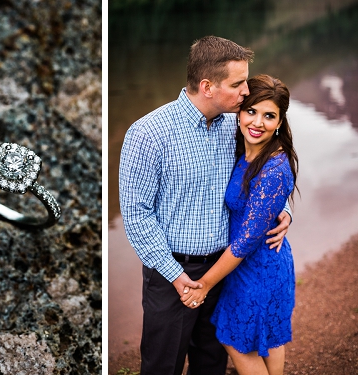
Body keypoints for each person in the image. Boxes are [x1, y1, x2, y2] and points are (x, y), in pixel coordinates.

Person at [118, 35, 292, 375]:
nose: (246, 92)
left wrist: (284, 209)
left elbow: (266, 173)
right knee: (162, 365)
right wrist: (176, 276)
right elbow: (137, 215)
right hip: (172, 272)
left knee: (211, 363)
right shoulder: (149, 134)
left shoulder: (237, 124)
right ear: (208, 86)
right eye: (238, 84)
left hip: (225, 268)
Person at [181, 74, 298, 375]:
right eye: (251, 111)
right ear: (240, 112)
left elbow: (246, 240)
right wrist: (284, 210)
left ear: (280, 122)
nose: (258, 122)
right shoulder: (242, 148)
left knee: (237, 343)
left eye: (269, 115)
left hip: (259, 270)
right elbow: (260, 200)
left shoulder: (274, 166)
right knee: (266, 338)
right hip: (246, 265)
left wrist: (203, 284)